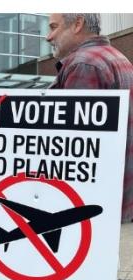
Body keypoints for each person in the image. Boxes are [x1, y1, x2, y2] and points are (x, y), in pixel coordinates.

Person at [46, 13, 133, 223]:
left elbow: (75, 149)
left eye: (54, 27)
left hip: (91, 209)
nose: (48, 37)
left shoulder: (83, 65)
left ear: (77, 24)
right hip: (118, 202)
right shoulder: (118, 58)